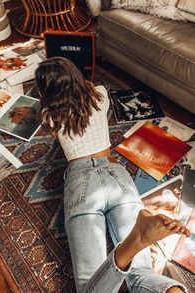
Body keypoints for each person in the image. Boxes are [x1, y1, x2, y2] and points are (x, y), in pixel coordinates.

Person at [35, 57, 190, 293]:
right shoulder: (100, 93)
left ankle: (132, 243)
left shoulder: (48, 112)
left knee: (89, 283)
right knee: (143, 274)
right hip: (115, 173)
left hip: (80, 180)